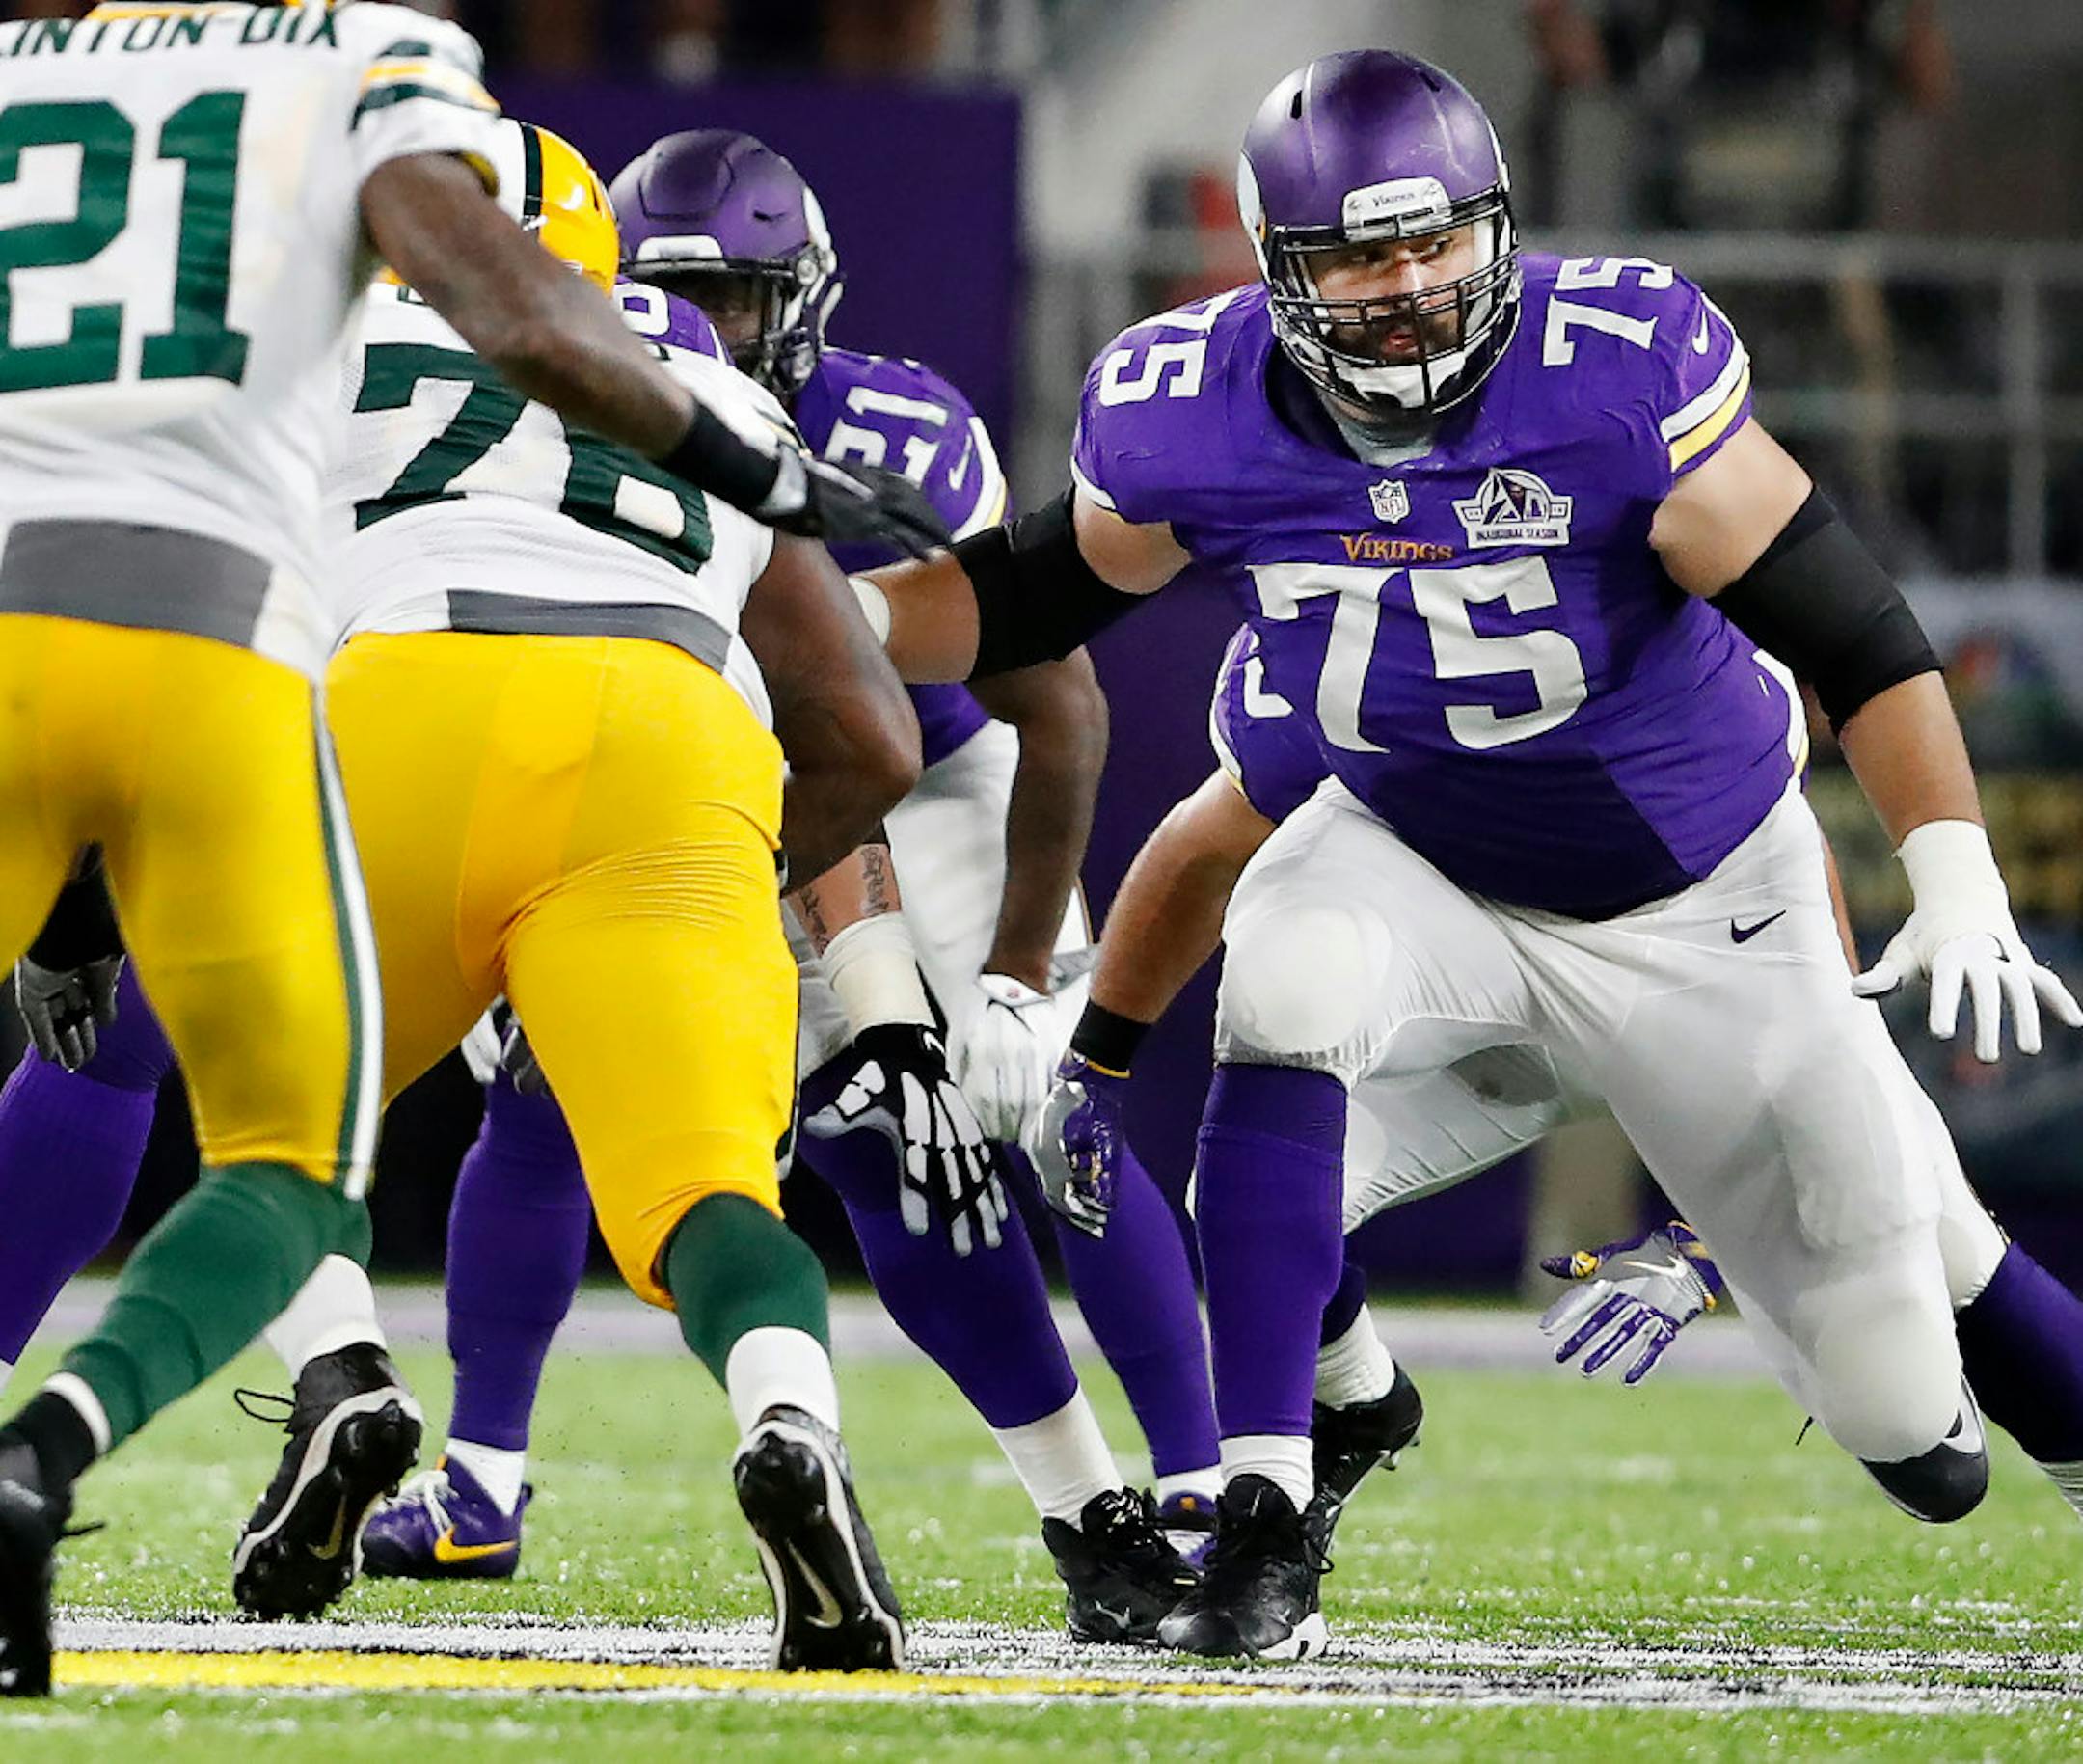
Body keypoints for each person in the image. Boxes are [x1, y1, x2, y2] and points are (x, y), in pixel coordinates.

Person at [852, 48, 2083, 1660]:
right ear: (1276, 265)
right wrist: (811, 623)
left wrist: (1955, 868)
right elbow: (1036, 610)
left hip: (1702, 911)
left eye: (1435, 240)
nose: (1410, 286)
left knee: (1920, 1440)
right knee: (1286, 984)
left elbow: (1854, 630)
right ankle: (1268, 1512)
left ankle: (1919, 1210)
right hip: (1427, 867)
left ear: (1497, 226)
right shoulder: (1203, 430)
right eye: (1361, 255)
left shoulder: (1610, 378)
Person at [0, 44, 932, 1691]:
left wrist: (90, 889)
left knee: (278, 1146)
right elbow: (870, 732)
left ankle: (235, 1402)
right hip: (677, 731)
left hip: (408, 691)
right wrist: (732, 862)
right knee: (713, 1197)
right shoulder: (717, 386)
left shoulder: (315, 336)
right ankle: (790, 1424)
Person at [353, 129, 1214, 1642]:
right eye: (673, 297)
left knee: (1026, 1115)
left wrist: (1006, 981)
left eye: (737, 302)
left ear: (801, 303)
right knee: (682, 1105)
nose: (707, 330)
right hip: (727, 775)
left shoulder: (885, 435)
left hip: (929, 781)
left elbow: (1042, 710)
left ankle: (1195, 1492)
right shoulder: (546, 416)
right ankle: (483, 1479)